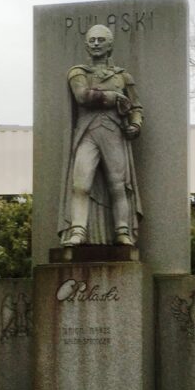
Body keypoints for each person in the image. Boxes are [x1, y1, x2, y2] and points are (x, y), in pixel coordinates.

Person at [58, 24, 143, 247]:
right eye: (92, 40)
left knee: (118, 186)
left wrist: (135, 124)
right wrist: (113, 97)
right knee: (80, 184)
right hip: (87, 133)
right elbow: (82, 96)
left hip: (114, 132)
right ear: (87, 45)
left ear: (110, 45)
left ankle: (122, 231)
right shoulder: (78, 72)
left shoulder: (123, 76)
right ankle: (78, 231)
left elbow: (136, 106)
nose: (96, 44)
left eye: (100, 40)